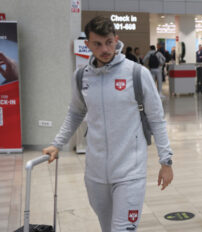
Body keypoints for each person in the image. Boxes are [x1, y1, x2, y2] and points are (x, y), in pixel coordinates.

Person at [42, 16, 173, 232]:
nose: (105, 49)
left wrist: (166, 161)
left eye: (109, 42)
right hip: (95, 173)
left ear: (116, 39)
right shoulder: (81, 76)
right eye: (98, 44)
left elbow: (156, 120)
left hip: (130, 171)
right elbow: (75, 113)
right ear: (87, 45)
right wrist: (57, 144)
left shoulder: (136, 73)